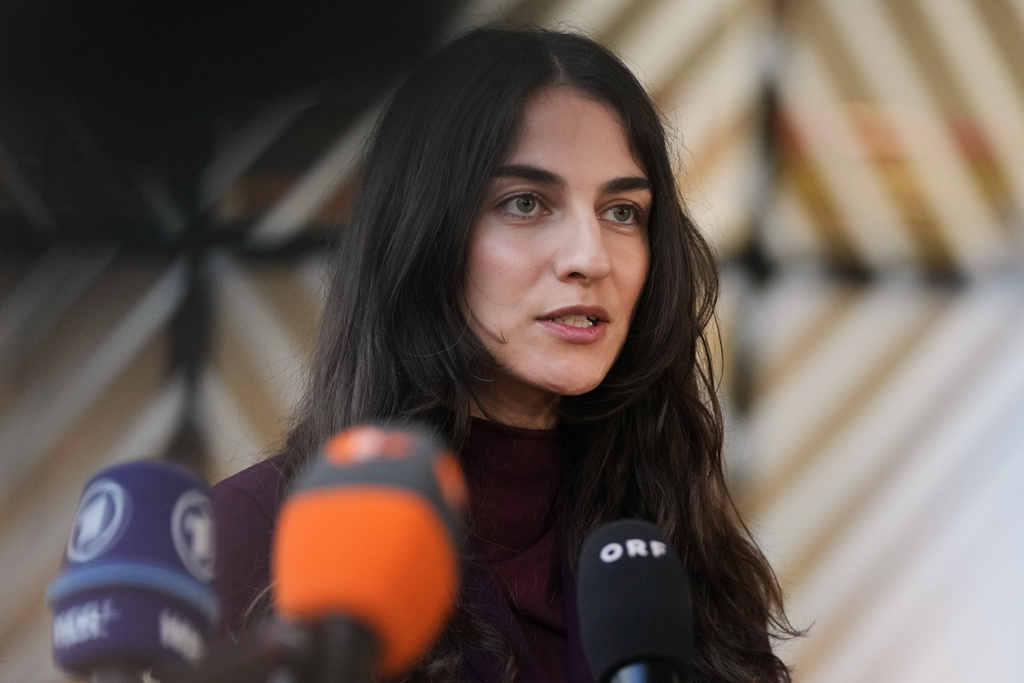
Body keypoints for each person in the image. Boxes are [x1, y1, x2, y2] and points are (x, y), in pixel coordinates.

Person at [213, 26, 797, 682]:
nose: (589, 257)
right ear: (424, 230)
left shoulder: (679, 563)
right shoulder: (248, 539)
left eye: (624, 211)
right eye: (526, 203)